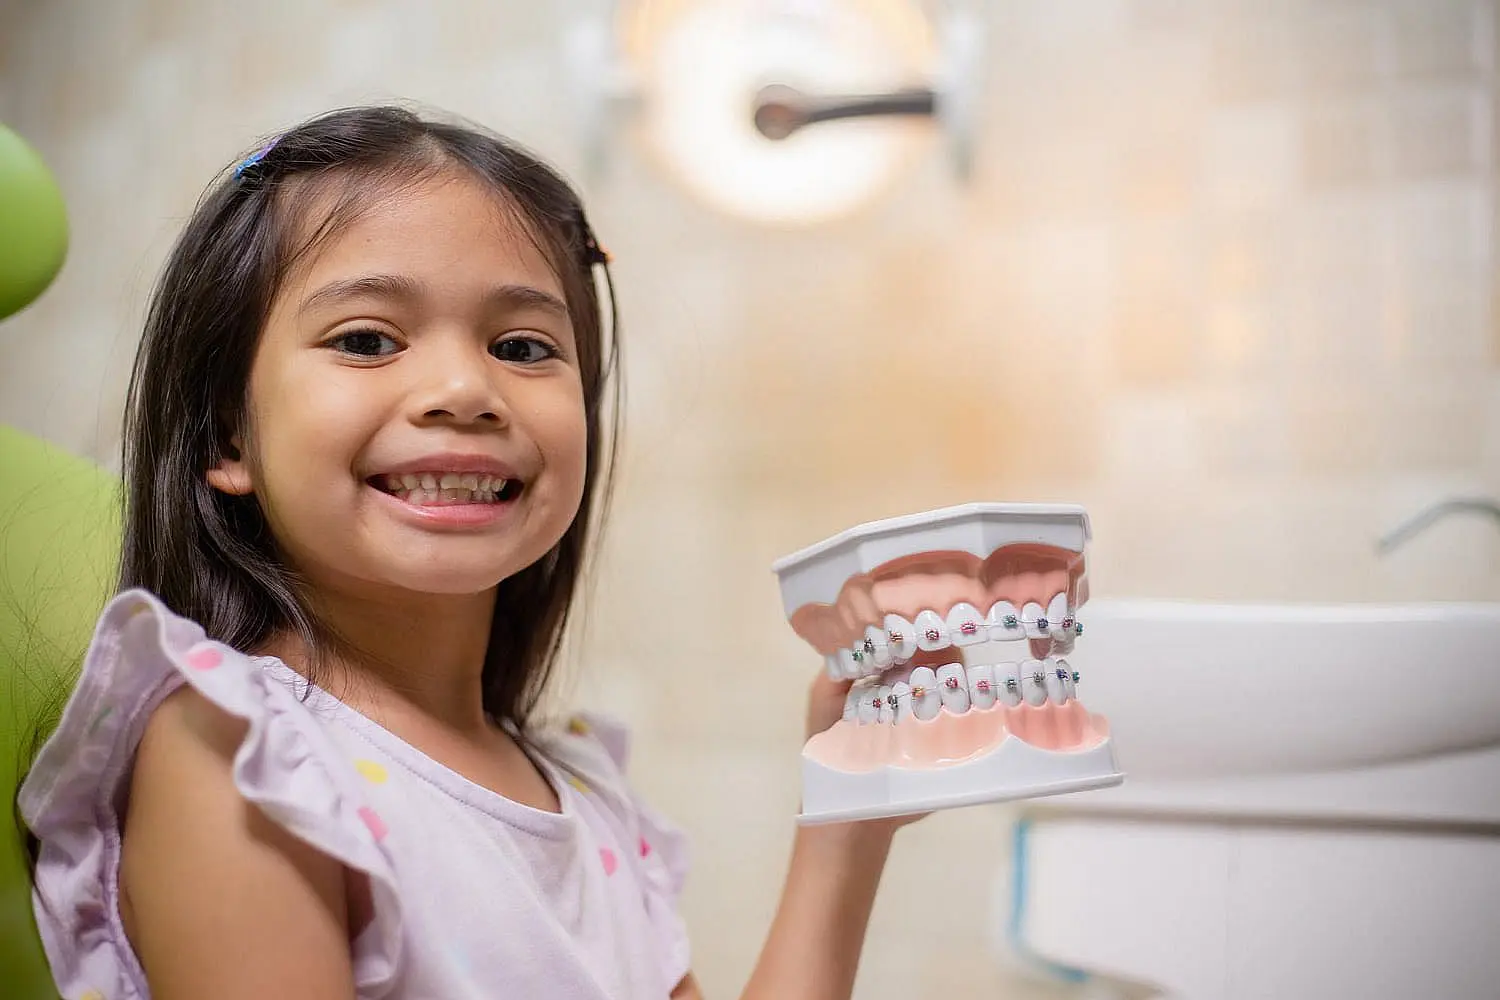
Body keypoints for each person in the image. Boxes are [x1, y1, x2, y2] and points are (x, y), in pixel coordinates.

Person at [15, 106, 912, 1000]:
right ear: (227, 434)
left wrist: (848, 813)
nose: (463, 389)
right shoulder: (244, 755)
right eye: (367, 340)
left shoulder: (581, 792)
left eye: (522, 347)